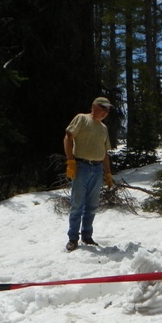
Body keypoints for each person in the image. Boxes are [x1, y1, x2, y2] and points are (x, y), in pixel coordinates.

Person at [63, 96, 114, 251]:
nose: (106, 112)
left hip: (97, 168)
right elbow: (68, 138)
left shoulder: (103, 128)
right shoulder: (82, 119)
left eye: (108, 110)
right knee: (77, 204)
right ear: (94, 107)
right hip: (82, 166)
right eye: (103, 108)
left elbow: (105, 152)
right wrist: (70, 161)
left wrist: (108, 173)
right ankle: (73, 238)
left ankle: (87, 235)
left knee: (92, 205)